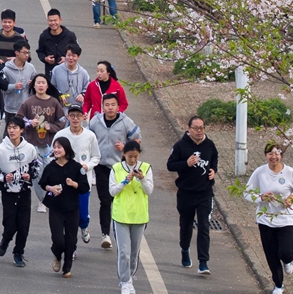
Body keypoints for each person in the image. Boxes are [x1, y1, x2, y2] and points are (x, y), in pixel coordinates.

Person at [244, 144, 293, 294]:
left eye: (277, 154)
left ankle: (288, 260)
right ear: (265, 155)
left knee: (285, 252)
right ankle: (278, 285)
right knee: (271, 254)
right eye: (270, 154)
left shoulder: (289, 172)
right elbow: (247, 193)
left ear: (281, 156)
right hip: (266, 219)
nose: (274, 157)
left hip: (286, 218)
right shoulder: (260, 172)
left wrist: (291, 198)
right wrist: (261, 197)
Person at [166, 115, 218, 274]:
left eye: (201, 128)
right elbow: (170, 165)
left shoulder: (209, 145)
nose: (199, 131)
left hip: (205, 193)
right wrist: (186, 164)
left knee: (203, 226)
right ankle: (184, 249)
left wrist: (213, 170)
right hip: (186, 193)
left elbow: (214, 158)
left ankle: (203, 263)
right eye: (195, 128)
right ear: (189, 129)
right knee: (186, 225)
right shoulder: (181, 146)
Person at [89, 93, 141, 249]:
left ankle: (120, 232)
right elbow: (88, 137)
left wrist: (125, 146)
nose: (110, 108)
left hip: (120, 166)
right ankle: (105, 234)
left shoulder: (126, 122)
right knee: (105, 200)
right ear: (102, 106)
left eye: (113, 105)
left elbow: (137, 140)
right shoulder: (95, 122)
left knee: (119, 201)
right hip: (102, 166)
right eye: (107, 105)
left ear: (118, 107)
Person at [0, 115, 39, 267]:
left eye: (15, 128)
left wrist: (29, 175)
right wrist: (4, 177)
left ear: (22, 130)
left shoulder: (30, 149)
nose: (11, 131)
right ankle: (5, 240)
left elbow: (36, 167)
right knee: (10, 224)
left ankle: (18, 253)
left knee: (24, 226)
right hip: (8, 193)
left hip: (24, 191)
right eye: (9, 128)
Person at [110, 140, 155, 294]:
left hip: (139, 215)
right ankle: (124, 281)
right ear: (124, 154)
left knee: (134, 252)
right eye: (130, 157)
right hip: (121, 215)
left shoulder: (146, 168)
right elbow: (112, 191)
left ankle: (130, 276)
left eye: (136, 157)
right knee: (124, 251)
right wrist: (125, 181)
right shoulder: (116, 168)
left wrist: (141, 178)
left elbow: (149, 191)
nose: (133, 160)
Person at [40, 136, 88, 277]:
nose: (56, 150)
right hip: (55, 208)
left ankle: (67, 268)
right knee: (58, 240)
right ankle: (57, 254)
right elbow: (43, 184)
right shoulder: (50, 167)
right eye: (54, 147)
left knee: (71, 240)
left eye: (59, 147)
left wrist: (74, 184)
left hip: (72, 208)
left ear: (66, 149)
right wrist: (51, 188)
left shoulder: (76, 167)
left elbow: (84, 187)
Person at [53, 105, 98, 245]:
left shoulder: (90, 136)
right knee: (68, 217)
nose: (75, 119)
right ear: (68, 117)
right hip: (65, 183)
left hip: (82, 182)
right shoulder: (61, 135)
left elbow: (96, 157)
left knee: (82, 215)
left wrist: (88, 166)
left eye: (78, 116)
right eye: (72, 116)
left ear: (84, 117)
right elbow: (52, 154)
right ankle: (71, 246)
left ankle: (84, 227)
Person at [18, 74, 64, 149]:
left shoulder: (54, 102)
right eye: (38, 83)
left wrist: (51, 127)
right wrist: (29, 122)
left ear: (47, 86)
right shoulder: (28, 102)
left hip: (50, 144)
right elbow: (18, 119)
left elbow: (62, 120)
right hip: (31, 144)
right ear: (34, 85)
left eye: (43, 83)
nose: (41, 85)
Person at [37, 9, 78, 77]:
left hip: (67, 71)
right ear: (48, 21)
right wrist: (45, 58)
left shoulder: (70, 35)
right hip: (50, 71)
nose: (53, 23)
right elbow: (40, 51)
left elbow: (77, 51)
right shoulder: (44, 36)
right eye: (50, 21)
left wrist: (66, 58)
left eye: (55, 20)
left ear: (60, 20)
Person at [50, 45, 90, 113]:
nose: (71, 58)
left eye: (74, 56)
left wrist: (82, 94)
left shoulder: (83, 72)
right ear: (65, 55)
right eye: (68, 55)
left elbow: (88, 87)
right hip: (61, 109)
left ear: (78, 57)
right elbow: (52, 87)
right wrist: (59, 95)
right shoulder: (56, 70)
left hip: (77, 109)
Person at [2, 39, 36, 116]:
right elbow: (3, 88)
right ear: (16, 52)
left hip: (27, 108)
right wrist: (14, 86)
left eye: (28, 53)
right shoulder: (6, 69)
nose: (27, 55)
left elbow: (35, 86)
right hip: (11, 109)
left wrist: (33, 85)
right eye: (24, 53)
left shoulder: (31, 68)